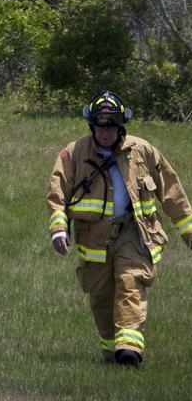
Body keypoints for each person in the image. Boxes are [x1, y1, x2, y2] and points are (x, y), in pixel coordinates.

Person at [47, 90, 192, 367]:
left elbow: (172, 193)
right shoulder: (73, 153)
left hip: (133, 232)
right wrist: (59, 229)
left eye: (111, 126)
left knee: (130, 281)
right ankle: (111, 350)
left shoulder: (143, 152)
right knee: (101, 298)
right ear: (92, 125)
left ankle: (130, 349)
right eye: (101, 127)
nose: (105, 132)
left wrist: (188, 231)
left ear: (120, 125)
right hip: (94, 238)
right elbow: (57, 193)